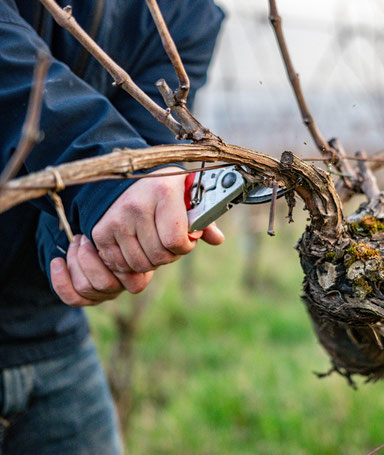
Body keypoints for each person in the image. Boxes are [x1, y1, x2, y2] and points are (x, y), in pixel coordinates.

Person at [0, 0, 225, 452]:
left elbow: (139, 164)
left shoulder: (186, 14)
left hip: (47, 332)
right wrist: (106, 176)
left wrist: (86, 245)